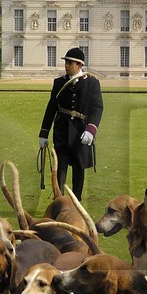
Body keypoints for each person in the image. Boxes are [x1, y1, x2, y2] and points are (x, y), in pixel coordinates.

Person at [39, 46, 103, 199]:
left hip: (81, 132)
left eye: (70, 63)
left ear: (80, 65)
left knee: (78, 169)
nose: (67, 65)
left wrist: (91, 129)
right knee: (59, 169)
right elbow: (51, 108)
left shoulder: (92, 83)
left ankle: (76, 203)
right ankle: (58, 201)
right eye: (66, 62)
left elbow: (97, 108)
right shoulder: (59, 83)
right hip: (62, 132)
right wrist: (44, 133)